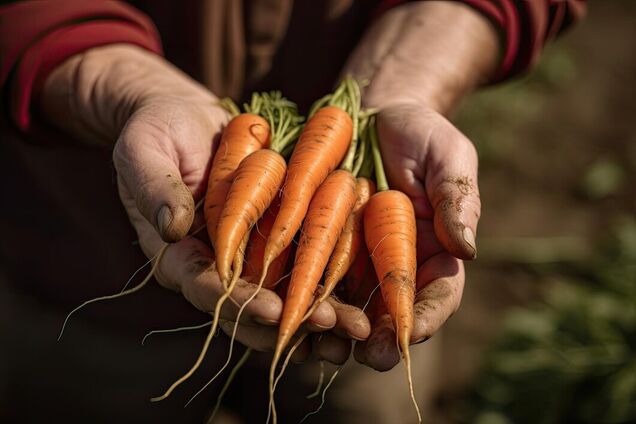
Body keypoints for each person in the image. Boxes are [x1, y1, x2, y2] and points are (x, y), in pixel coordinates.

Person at [0, 1, 585, 422]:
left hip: (358, 299)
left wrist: (407, 83)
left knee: (363, 386)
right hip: (78, 262)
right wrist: (123, 86)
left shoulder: (367, 197)